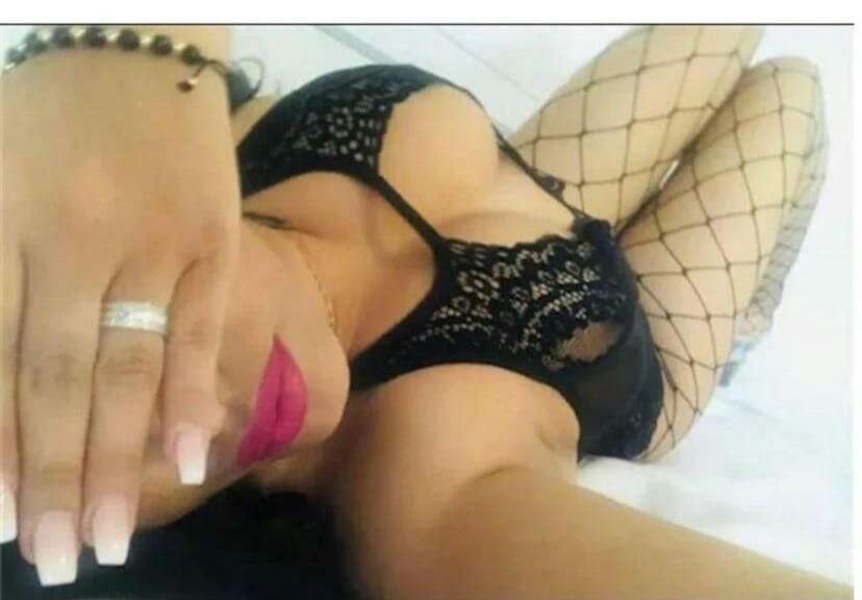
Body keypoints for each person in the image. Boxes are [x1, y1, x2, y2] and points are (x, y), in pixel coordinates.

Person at [0, 24, 848, 599]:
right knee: (792, 93)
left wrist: (120, 49)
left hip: (527, 186)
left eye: (66, 355)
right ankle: (747, 326)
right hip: (635, 336)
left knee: (726, 27)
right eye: (66, 475)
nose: (176, 423)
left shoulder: (178, 152)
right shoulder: (422, 481)